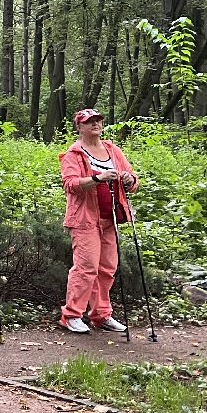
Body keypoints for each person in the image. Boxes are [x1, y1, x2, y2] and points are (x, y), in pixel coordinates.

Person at [59, 108, 139, 334]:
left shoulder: (113, 150)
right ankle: (72, 315)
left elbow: (134, 183)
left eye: (98, 120)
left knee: (107, 268)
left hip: (111, 217)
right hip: (84, 219)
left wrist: (128, 179)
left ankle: (101, 315)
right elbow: (70, 184)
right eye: (89, 121)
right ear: (80, 127)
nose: (95, 124)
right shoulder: (74, 154)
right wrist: (98, 178)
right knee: (86, 268)